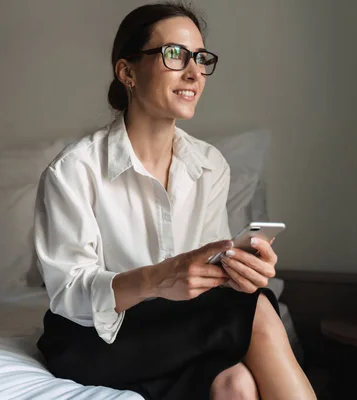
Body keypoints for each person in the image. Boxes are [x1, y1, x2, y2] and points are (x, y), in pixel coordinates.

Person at [34, 2, 316, 399]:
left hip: (174, 330)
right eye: (174, 55)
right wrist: (158, 278)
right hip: (92, 337)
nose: (194, 72)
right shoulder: (72, 170)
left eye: (200, 58)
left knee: (237, 383)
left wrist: (239, 271)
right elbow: (68, 293)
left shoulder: (210, 166)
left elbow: (207, 276)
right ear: (126, 72)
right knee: (257, 311)